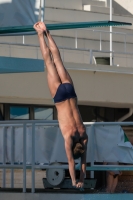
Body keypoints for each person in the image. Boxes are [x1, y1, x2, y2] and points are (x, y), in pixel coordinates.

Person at [34, 22, 88, 189]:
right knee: (48, 62)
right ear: (73, 149)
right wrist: (74, 181)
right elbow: (71, 163)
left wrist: (82, 178)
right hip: (59, 97)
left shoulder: (84, 135)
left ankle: (47, 32)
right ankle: (39, 34)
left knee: (57, 59)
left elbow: (83, 164)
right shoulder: (69, 138)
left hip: (71, 93)